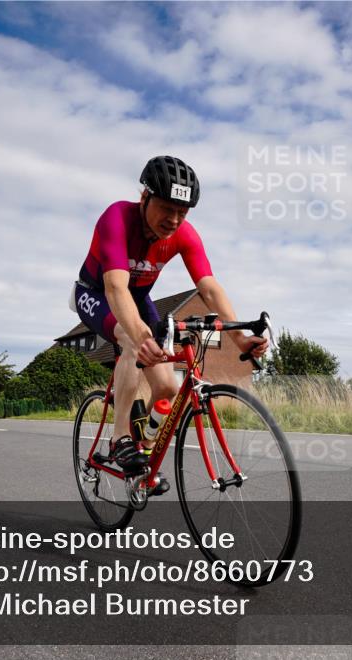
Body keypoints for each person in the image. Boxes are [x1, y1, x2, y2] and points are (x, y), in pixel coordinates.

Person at [74, 155, 268, 474]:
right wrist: (141, 336)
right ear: (144, 197)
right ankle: (119, 438)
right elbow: (116, 288)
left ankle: (142, 446)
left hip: (138, 297)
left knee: (167, 387)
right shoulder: (117, 218)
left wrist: (239, 338)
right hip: (96, 293)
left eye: (183, 212)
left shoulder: (184, 234)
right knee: (132, 341)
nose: (174, 220)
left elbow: (209, 289)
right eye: (166, 208)